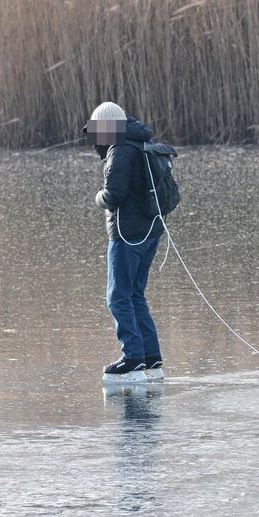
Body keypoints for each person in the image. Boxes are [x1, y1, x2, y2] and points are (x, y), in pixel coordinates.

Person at [86, 101, 165, 375]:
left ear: (106, 129)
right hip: (150, 231)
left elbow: (113, 195)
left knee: (118, 297)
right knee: (135, 294)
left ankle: (133, 358)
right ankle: (151, 356)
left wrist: (97, 197)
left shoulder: (120, 150)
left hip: (127, 235)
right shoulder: (140, 143)